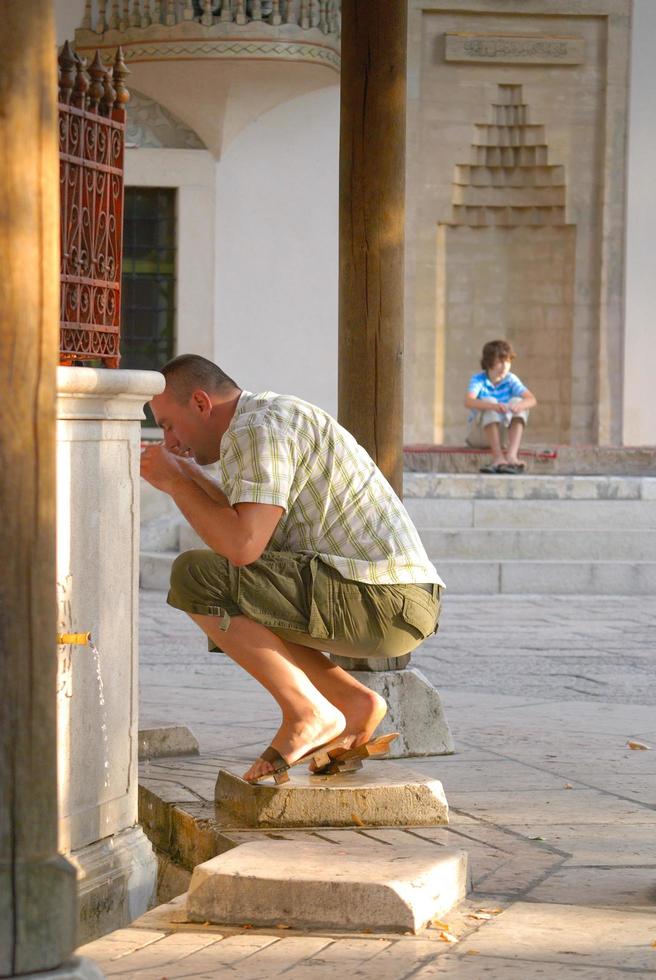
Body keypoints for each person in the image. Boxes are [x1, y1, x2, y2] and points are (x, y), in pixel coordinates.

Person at [140, 354, 445, 783]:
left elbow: (243, 546)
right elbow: (242, 526)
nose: (170, 442)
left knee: (198, 576)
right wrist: (185, 477)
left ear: (201, 402)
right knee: (237, 593)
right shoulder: (263, 418)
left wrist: (174, 481)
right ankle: (352, 704)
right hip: (388, 597)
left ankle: (307, 714)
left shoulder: (256, 429)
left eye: (169, 424)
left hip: (383, 598)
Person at [464, 339, 537, 474]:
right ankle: (498, 457)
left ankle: (512, 455)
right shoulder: (479, 379)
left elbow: (532, 400)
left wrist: (517, 406)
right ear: (489, 362)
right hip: (478, 436)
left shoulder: (511, 379)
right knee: (490, 401)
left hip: (502, 436)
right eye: (500, 362)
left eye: (508, 362)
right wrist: (493, 406)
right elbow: (468, 401)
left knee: (518, 401)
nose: (504, 367)